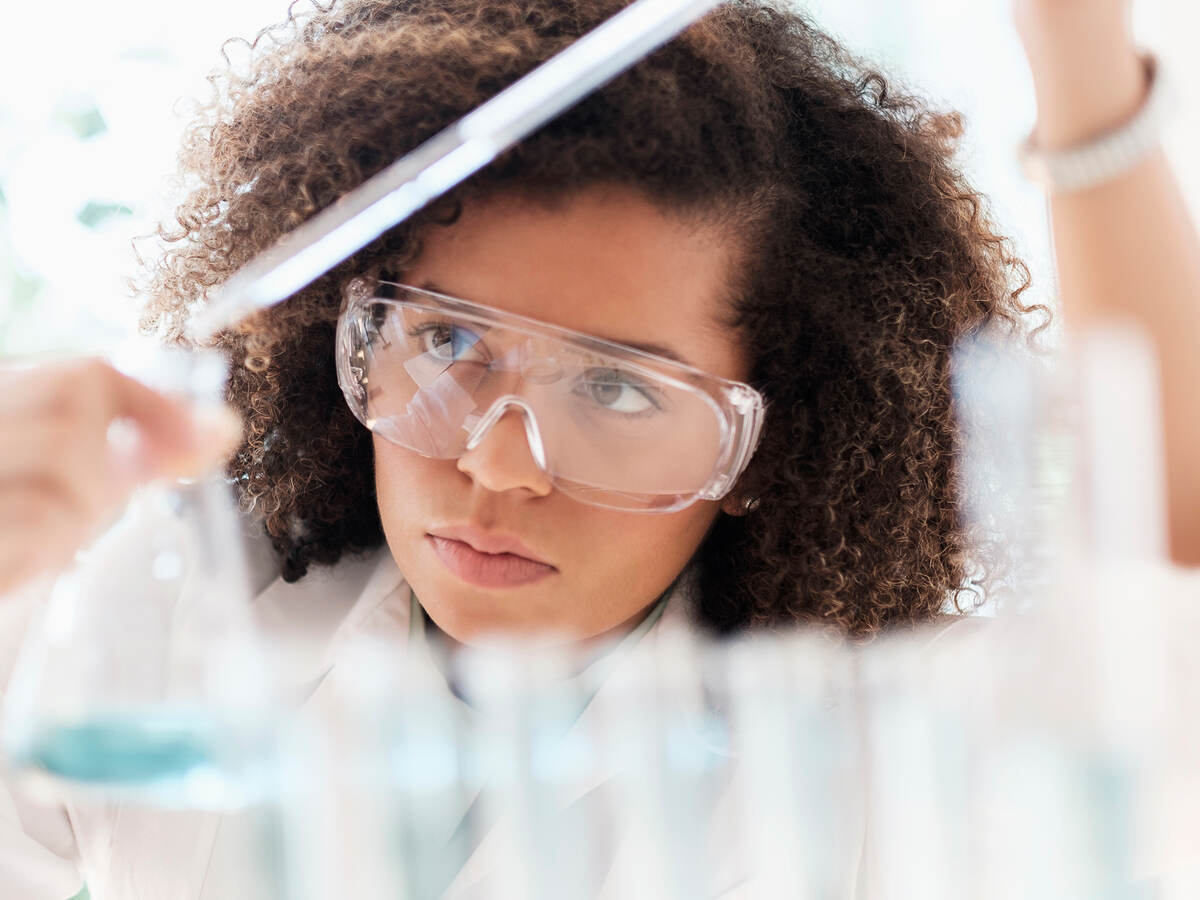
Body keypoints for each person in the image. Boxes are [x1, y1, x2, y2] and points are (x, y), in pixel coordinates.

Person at [1, 0, 1197, 896]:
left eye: (618, 391)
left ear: (767, 450)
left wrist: (1078, 43)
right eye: (451, 341)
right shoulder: (163, 611)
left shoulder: (877, 748)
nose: (500, 465)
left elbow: (1170, 578)